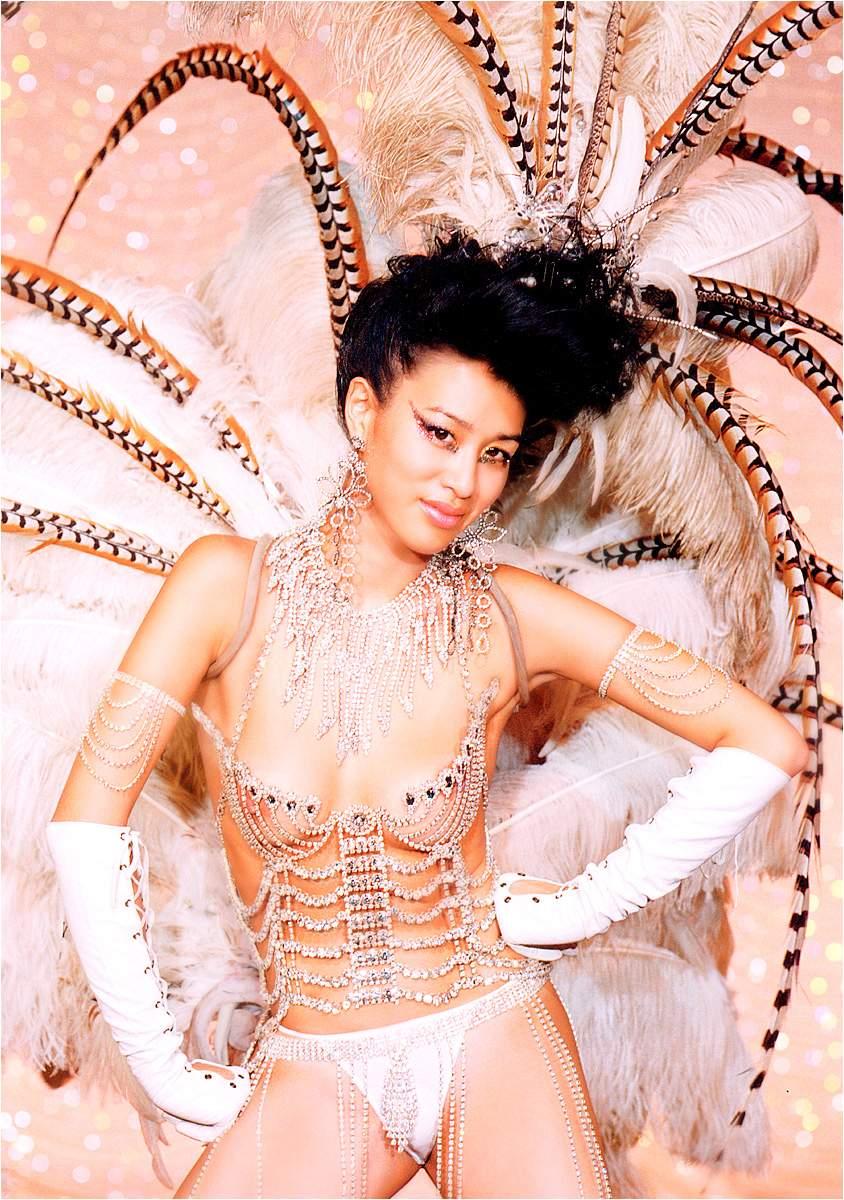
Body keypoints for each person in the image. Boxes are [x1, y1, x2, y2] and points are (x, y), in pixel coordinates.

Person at [45, 234, 808, 1200]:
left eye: (495, 455)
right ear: (364, 411)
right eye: (440, 434)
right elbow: (85, 822)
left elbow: (765, 741)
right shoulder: (221, 589)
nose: (464, 482)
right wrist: (158, 1060)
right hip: (315, 1066)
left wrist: (576, 908)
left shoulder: (511, 614)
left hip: (492, 1037)